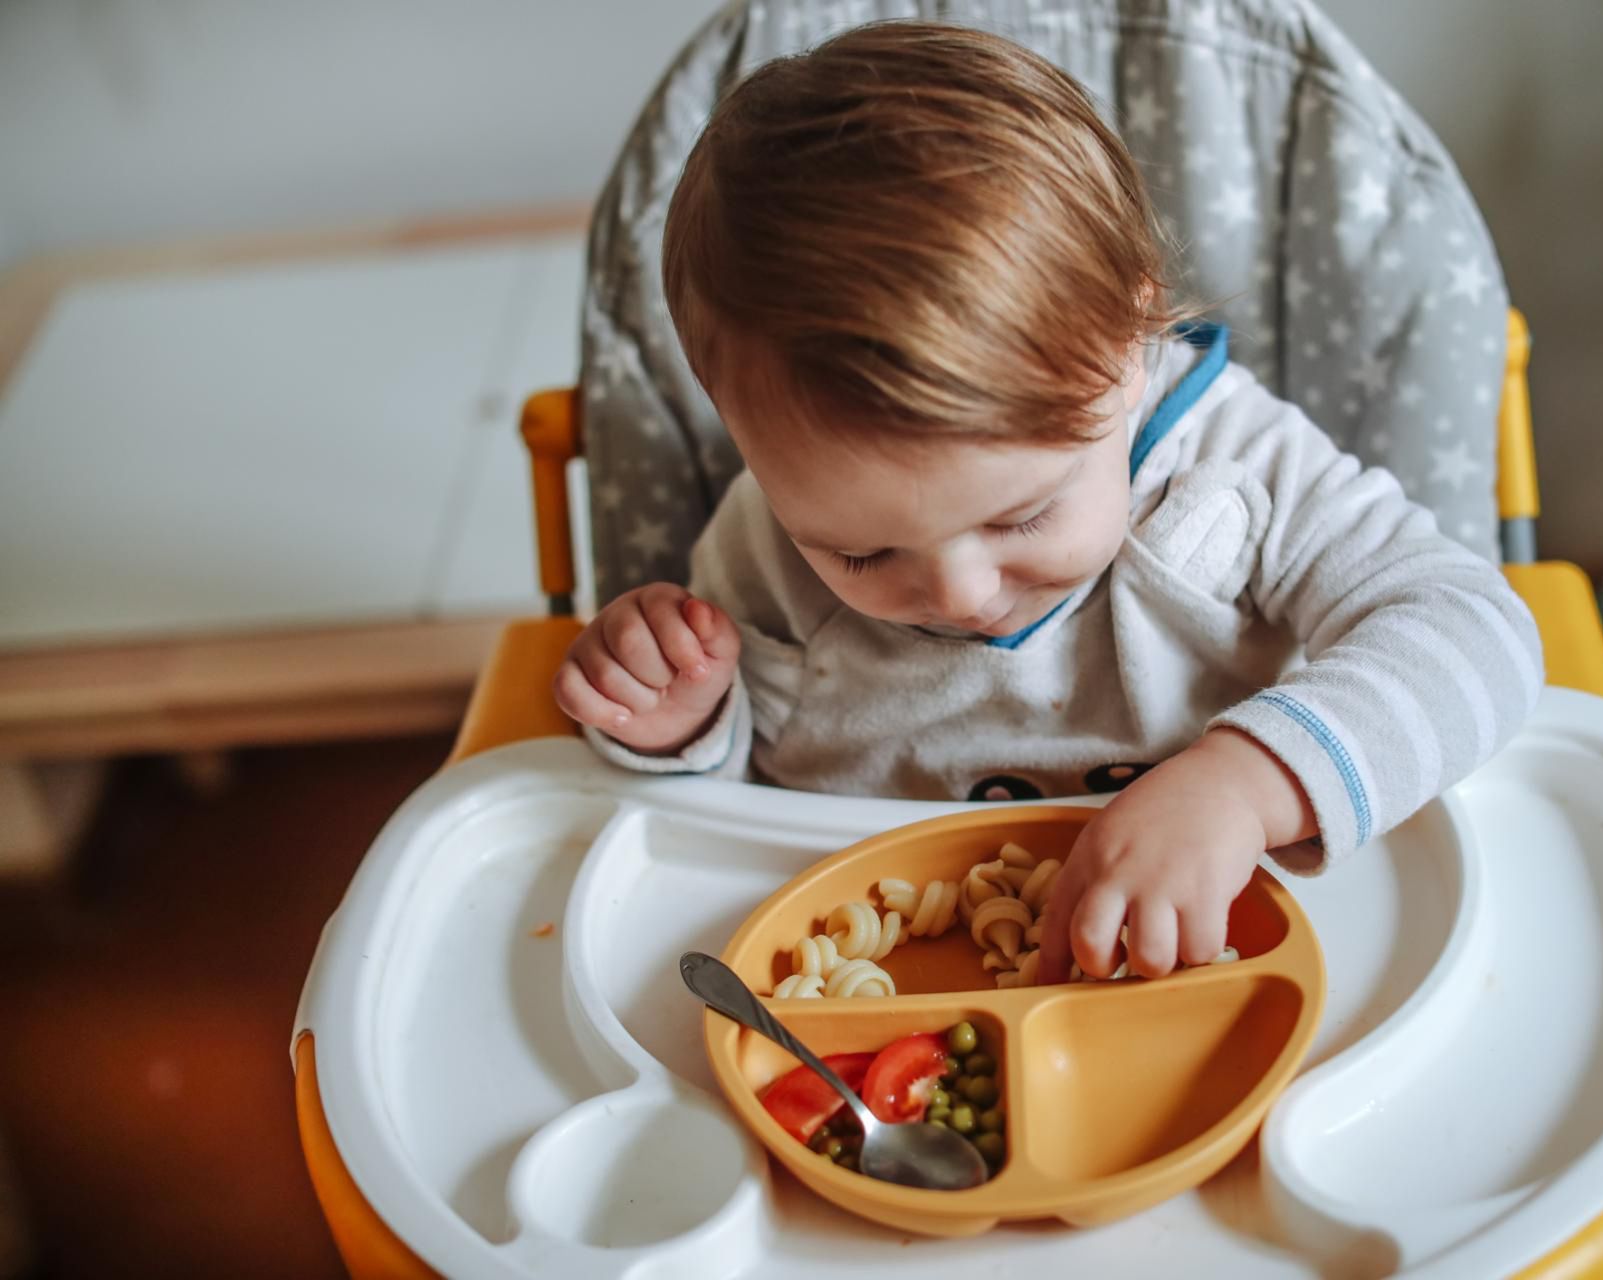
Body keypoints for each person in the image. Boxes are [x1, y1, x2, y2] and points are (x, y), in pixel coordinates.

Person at [553, 21, 1541, 984]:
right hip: (893, 990)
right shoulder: (766, 545)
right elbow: (709, 835)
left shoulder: (1232, 472)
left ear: (1131, 342)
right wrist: (682, 723)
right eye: (861, 556)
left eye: (1020, 517)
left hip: (1232, 960)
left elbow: (1475, 630)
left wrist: (1247, 782)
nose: (963, 592)